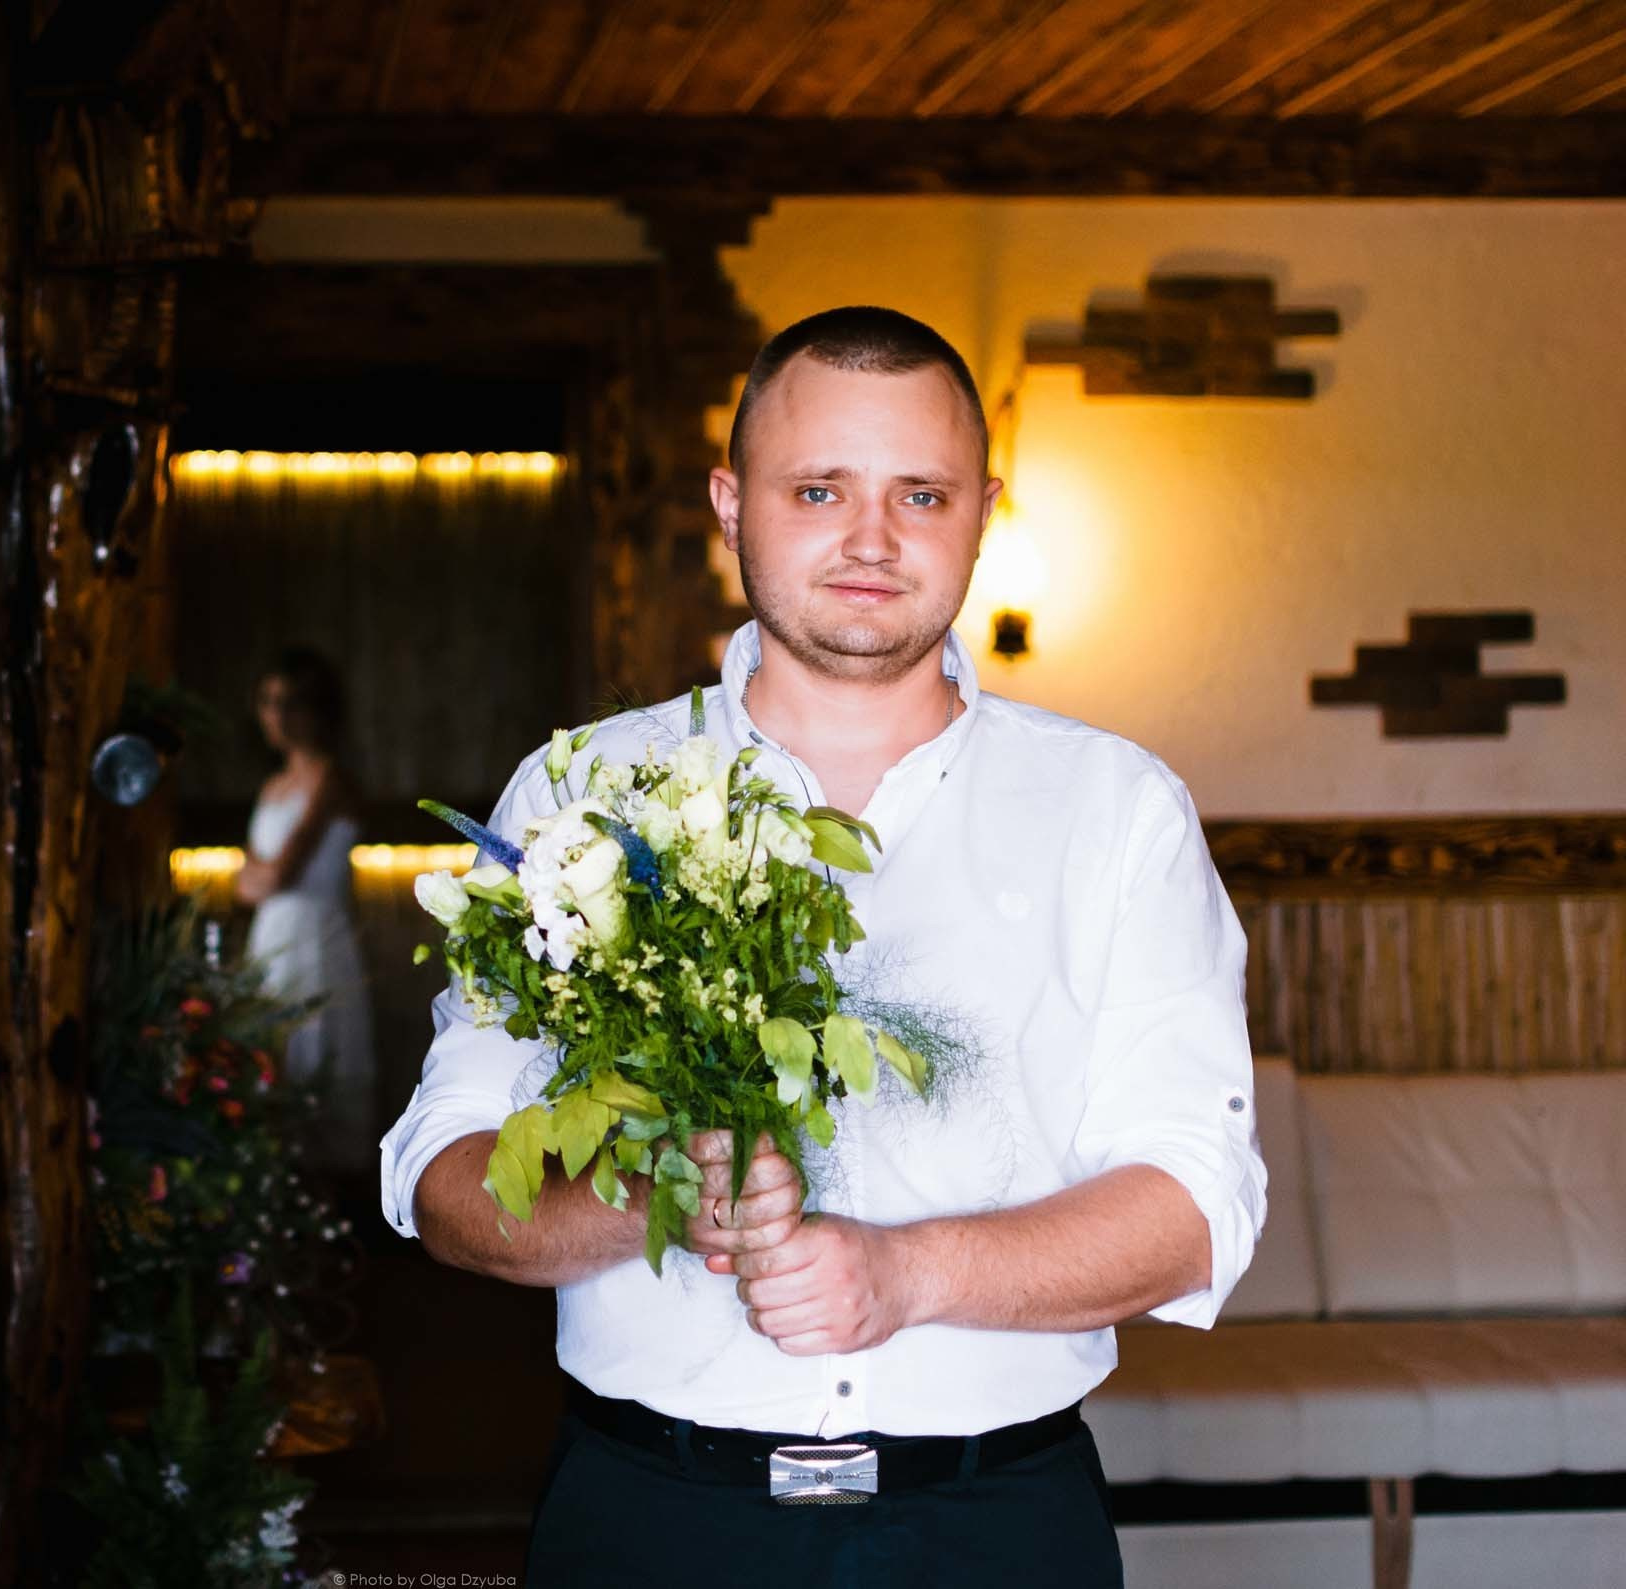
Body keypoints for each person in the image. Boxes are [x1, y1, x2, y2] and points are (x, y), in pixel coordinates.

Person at [378, 307, 1265, 1584]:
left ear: (982, 513)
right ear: (731, 505)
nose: (872, 539)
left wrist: (905, 1272)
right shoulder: (583, 793)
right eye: (818, 489)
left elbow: (1194, 1204)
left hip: (997, 1528)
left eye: (922, 494)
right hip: (650, 1520)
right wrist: (648, 1196)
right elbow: (446, 1177)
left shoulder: (1117, 808)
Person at [239, 646, 376, 1175]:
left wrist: (261, 875)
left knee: (318, 1056)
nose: (276, 715)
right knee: (270, 1058)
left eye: (289, 702)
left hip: (315, 935)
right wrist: (259, 876)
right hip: (270, 935)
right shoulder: (270, 786)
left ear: (316, 710)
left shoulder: (331, 780)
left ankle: (327, 1192)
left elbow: (275, 874)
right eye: (267, 702)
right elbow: (243, 887)